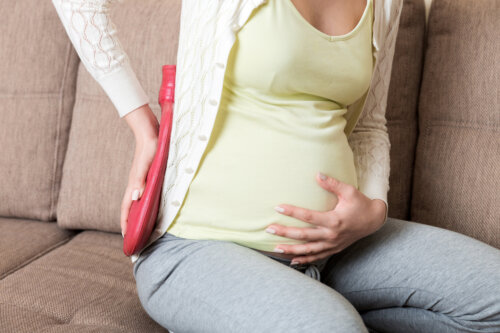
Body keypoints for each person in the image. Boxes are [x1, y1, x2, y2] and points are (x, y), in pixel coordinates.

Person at [52, 0, 500, 332]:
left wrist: (374, 210)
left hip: (338, 252)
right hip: (196, 247)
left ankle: (296, 305)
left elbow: (369, 125)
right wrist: (142, 125)